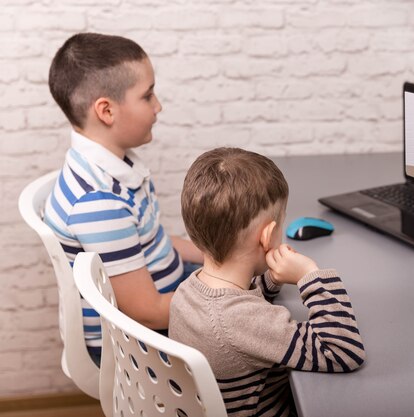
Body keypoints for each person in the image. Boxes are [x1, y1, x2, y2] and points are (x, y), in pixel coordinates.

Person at [43, 33, 203, 363]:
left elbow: (156, 242)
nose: (158, 106)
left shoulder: (115, 167)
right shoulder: (99, 202)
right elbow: (146, 313)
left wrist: (221, 258)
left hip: (165, 296)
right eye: (147, 96)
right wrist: (229, 294)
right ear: (106, 110)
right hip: (143, 342)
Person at [170, 147, 366, 416]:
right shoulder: (241, 321)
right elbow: (342, 351)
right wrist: (310, 275)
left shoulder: (185, 292)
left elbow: (238, 310)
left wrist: (270, 280)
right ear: (268, 235)